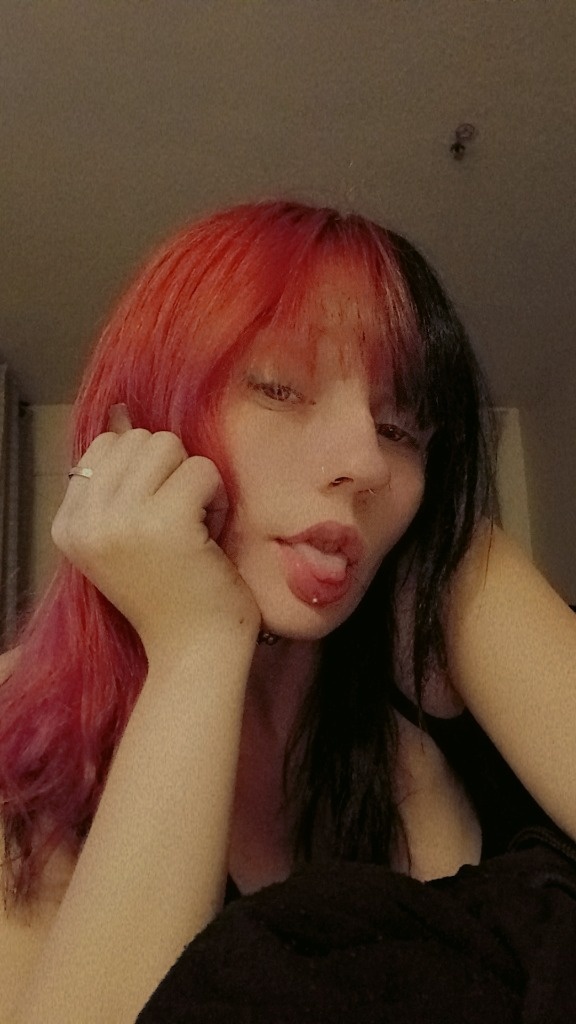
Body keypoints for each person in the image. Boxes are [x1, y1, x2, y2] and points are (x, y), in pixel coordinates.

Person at [0, 200, 575, 1023]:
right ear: (134, 432)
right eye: (279, 387)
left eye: (401, 428)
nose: (366, 462)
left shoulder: (447, 586)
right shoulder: (20, 743)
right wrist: (198, 643)